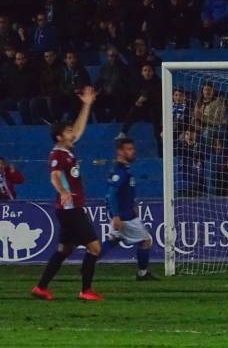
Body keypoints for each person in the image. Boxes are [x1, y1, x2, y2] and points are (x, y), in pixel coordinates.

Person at [32, 86, 103, 301]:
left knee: (64, 249)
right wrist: (63, 191)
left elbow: (80, 129)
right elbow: (54, 176)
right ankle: (86, 290)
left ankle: (41, 287)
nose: (73, 133)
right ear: (59, 136)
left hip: (69, 208)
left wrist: (87, 104)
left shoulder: (67, 151)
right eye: (69, 131)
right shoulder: (57, 155)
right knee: (94, 248)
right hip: (70, 208)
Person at [100, 138, 159, 281]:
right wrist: (115, 216)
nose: (133, 152)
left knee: (113, 240)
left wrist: (133, 205)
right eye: (129, 149)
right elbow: (111, 193)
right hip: (125, 217)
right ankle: (142, 274)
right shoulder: (120, 171)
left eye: (133, 149)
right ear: (120, 151)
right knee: (145, 241)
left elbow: (123, 192)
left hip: (124, 213)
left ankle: (87, 264)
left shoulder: (124, 169)